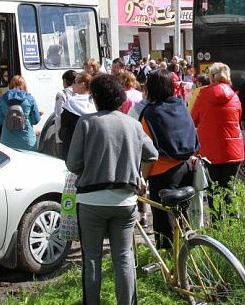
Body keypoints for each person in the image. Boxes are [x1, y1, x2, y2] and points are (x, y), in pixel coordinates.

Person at [66, 73, 157, 305]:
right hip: (126, 201)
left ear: (96, 98)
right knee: (124, 257)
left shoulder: (86, 123)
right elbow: (152, 154)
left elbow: (73, 164)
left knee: (92, 259)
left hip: (91, 201)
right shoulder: (133, 124)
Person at [139, 69, 199, 249]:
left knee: (163, 222)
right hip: (186, 167)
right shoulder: (181, 105)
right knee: (182, 216)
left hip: (162, 173)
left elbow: (148, 155)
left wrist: (143, 178)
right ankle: (188, 254)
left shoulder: (150, 114)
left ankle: (170, 265)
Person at [190, 62, 245, 213]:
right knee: (229, 189)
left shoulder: (203, 94)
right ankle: (233, 226)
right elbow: (239, 120)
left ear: (212, 76)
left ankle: (216, 226)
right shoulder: (234, 96)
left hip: (210, 151)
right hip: (233, 150)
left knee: (213, 191)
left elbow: (193, 119)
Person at [0, 75, 41, 150]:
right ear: (24, 85)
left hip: (7, 140)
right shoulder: (29, 99)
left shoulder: (2, 99)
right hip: (27, 140)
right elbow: (36, 120)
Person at [59, 72, 96, 160]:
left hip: (73, 145)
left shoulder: (71, 103)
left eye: (75, 82)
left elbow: (64, 124)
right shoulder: (94, 102)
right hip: (91, 146)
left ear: (82, 85)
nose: (72, 85)